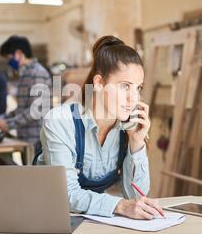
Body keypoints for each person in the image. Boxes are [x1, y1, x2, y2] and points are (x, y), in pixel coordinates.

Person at [36, 35, 164, 219]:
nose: (133, 99)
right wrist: (119, 205)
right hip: (47, 219)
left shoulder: (126, 127)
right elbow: (67, 195)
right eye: (125, 86)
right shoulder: (61, 121)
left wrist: (136, 143)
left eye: (138, 88)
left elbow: (136, 198)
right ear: (99, 83)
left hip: (88, 220)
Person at [0, 36, 52, 147]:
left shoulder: (37, 73)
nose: (9, 62)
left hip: (37, 141)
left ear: (18, 54)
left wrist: (8, 124)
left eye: (9, 58)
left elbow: (37, 110)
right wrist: (0, 119)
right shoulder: (24, 75)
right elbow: (22, 109)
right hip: (26, 139)